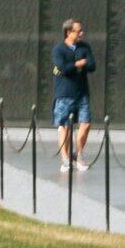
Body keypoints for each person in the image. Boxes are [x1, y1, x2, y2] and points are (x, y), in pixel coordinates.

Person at [49, 18, 97, 173]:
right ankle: (65, 159)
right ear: (68, 32)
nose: (82, 33)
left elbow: (92, 65)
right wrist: (78, 64)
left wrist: (81, 64)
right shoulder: (58, 50)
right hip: (64, 93)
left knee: (86, 123)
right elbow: (61, 69)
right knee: (64, 127)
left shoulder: (84, 47)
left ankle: (79, 155)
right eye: (78, 31)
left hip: (82, 92)